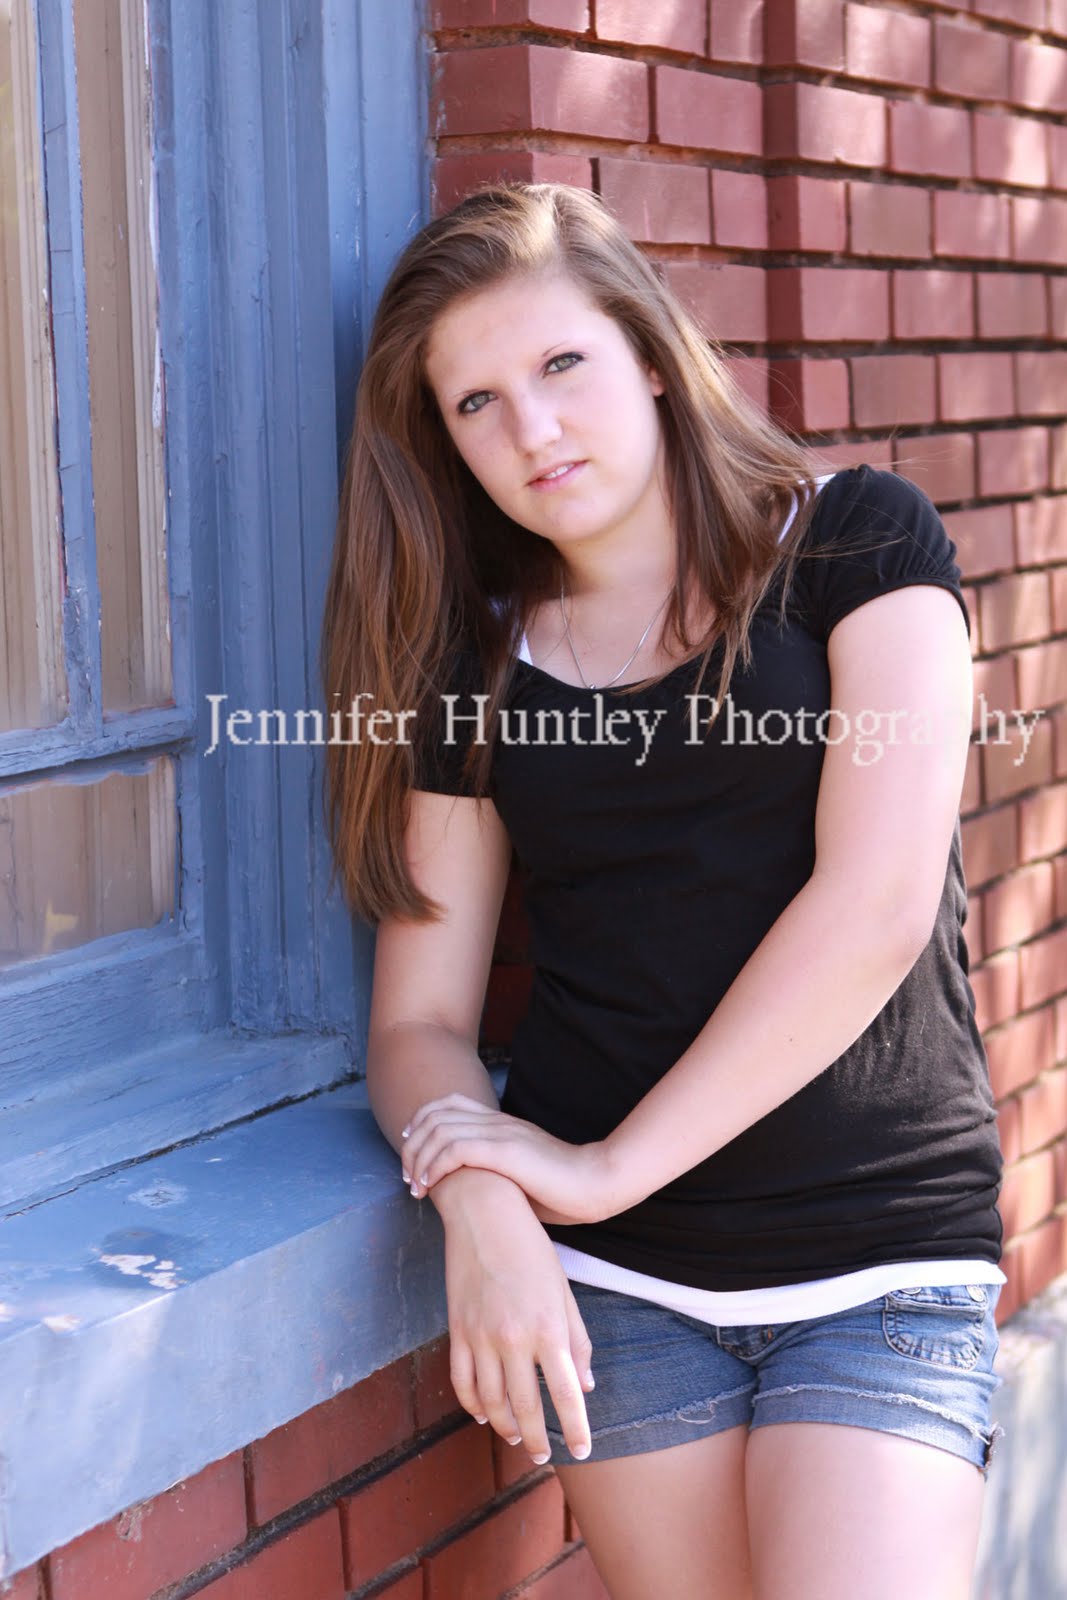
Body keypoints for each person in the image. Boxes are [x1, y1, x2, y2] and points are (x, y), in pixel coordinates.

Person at [319, 182, 1005, 1600]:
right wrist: (486, 1203)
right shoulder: (477, 669)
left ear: (647, 351)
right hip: (624, 1295)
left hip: (877, 1259)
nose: (533, 430)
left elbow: (876, 907)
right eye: (476, 404)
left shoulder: (860, 546)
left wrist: (597, 1168)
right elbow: (417, 1025)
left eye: (561, 364)